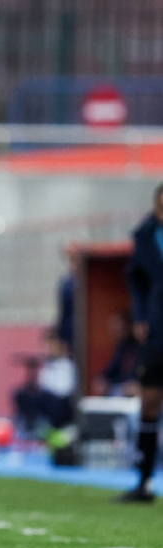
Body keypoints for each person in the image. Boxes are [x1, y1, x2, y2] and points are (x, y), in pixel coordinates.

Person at [118, 184, 163, 502]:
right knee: (150, 400)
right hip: (158, 331)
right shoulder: (144, 236)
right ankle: (144, 481)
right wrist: (140, 316)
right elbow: (136, 278)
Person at [12, 328, 76, 435]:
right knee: (22, 394)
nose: (49, 349)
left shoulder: (68, 365)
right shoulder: (46, 366)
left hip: (62, 405)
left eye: (52, 345)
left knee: (46, 397)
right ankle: (33, 427)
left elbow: (65, 390)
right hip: (46, 401)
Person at [92, 312, 141, 397]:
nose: (117, 331)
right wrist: (102, 379)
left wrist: (137, 382)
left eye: (121, 327)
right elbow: (112, 369)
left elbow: (143, 370)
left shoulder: (141, 346)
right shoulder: (123, 346)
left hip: (138, 386)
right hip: (121, 387)